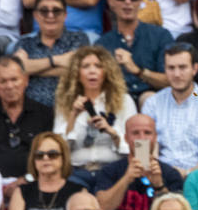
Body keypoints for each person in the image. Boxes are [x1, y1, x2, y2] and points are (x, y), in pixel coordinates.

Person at [91, 113, 183, 210]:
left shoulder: (170, 174)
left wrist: (159, 186)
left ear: (155, 138)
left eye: (147, 133)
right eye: (135, 133)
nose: (142, 139)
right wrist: (126, 178)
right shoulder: (109, 171)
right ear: (126, 138)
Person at [52, 45, 137, 184]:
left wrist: (112, 133)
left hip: (113, 171)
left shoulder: (124, 100)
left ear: (106, 72)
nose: (92, 71)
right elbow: (58, 150)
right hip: (77, 171)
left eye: (98, 66)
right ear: (77, 73)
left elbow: (137, 145)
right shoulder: (65, 102)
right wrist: (73, 116)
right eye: (85, 66)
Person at [142, 44, 198, 175]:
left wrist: (187, 174)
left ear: (195, 69)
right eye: (171, 68)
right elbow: (143, 148)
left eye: (182, 67)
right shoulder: (153, 103)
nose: (176, 74)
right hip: (158, 176)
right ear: (165, 69)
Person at [0, 56, 55, 181]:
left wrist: (26, 180)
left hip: (35, 182)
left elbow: (49, 158)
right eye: (3, 81)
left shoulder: (45, 114)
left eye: (14, 79)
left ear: (26, 80)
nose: (9, 86)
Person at [5, 131, 83, 210]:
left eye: (52, 154)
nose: (45, 158)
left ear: (63, 158)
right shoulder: (22, 191)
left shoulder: (78, 192)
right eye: (39, 155)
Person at [12, 0, 91, 108]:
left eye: (56, 11)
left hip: (71, 109)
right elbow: (16, 71)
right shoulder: (25, 43)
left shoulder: (79, 38)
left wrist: (31, 69)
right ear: (36, 15)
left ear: (65, 15)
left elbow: (77, 71)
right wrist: (56, 61)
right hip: (32, 112)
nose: (50, 15)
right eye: (44, 11)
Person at [97, 0, 170, 102]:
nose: (127, 2)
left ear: (141, 0)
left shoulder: (160, 36)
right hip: (116, 104)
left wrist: (138, 71)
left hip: (154, 104)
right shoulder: (102, 44)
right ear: (110, 0)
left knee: (148, 98)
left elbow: (172, 81)